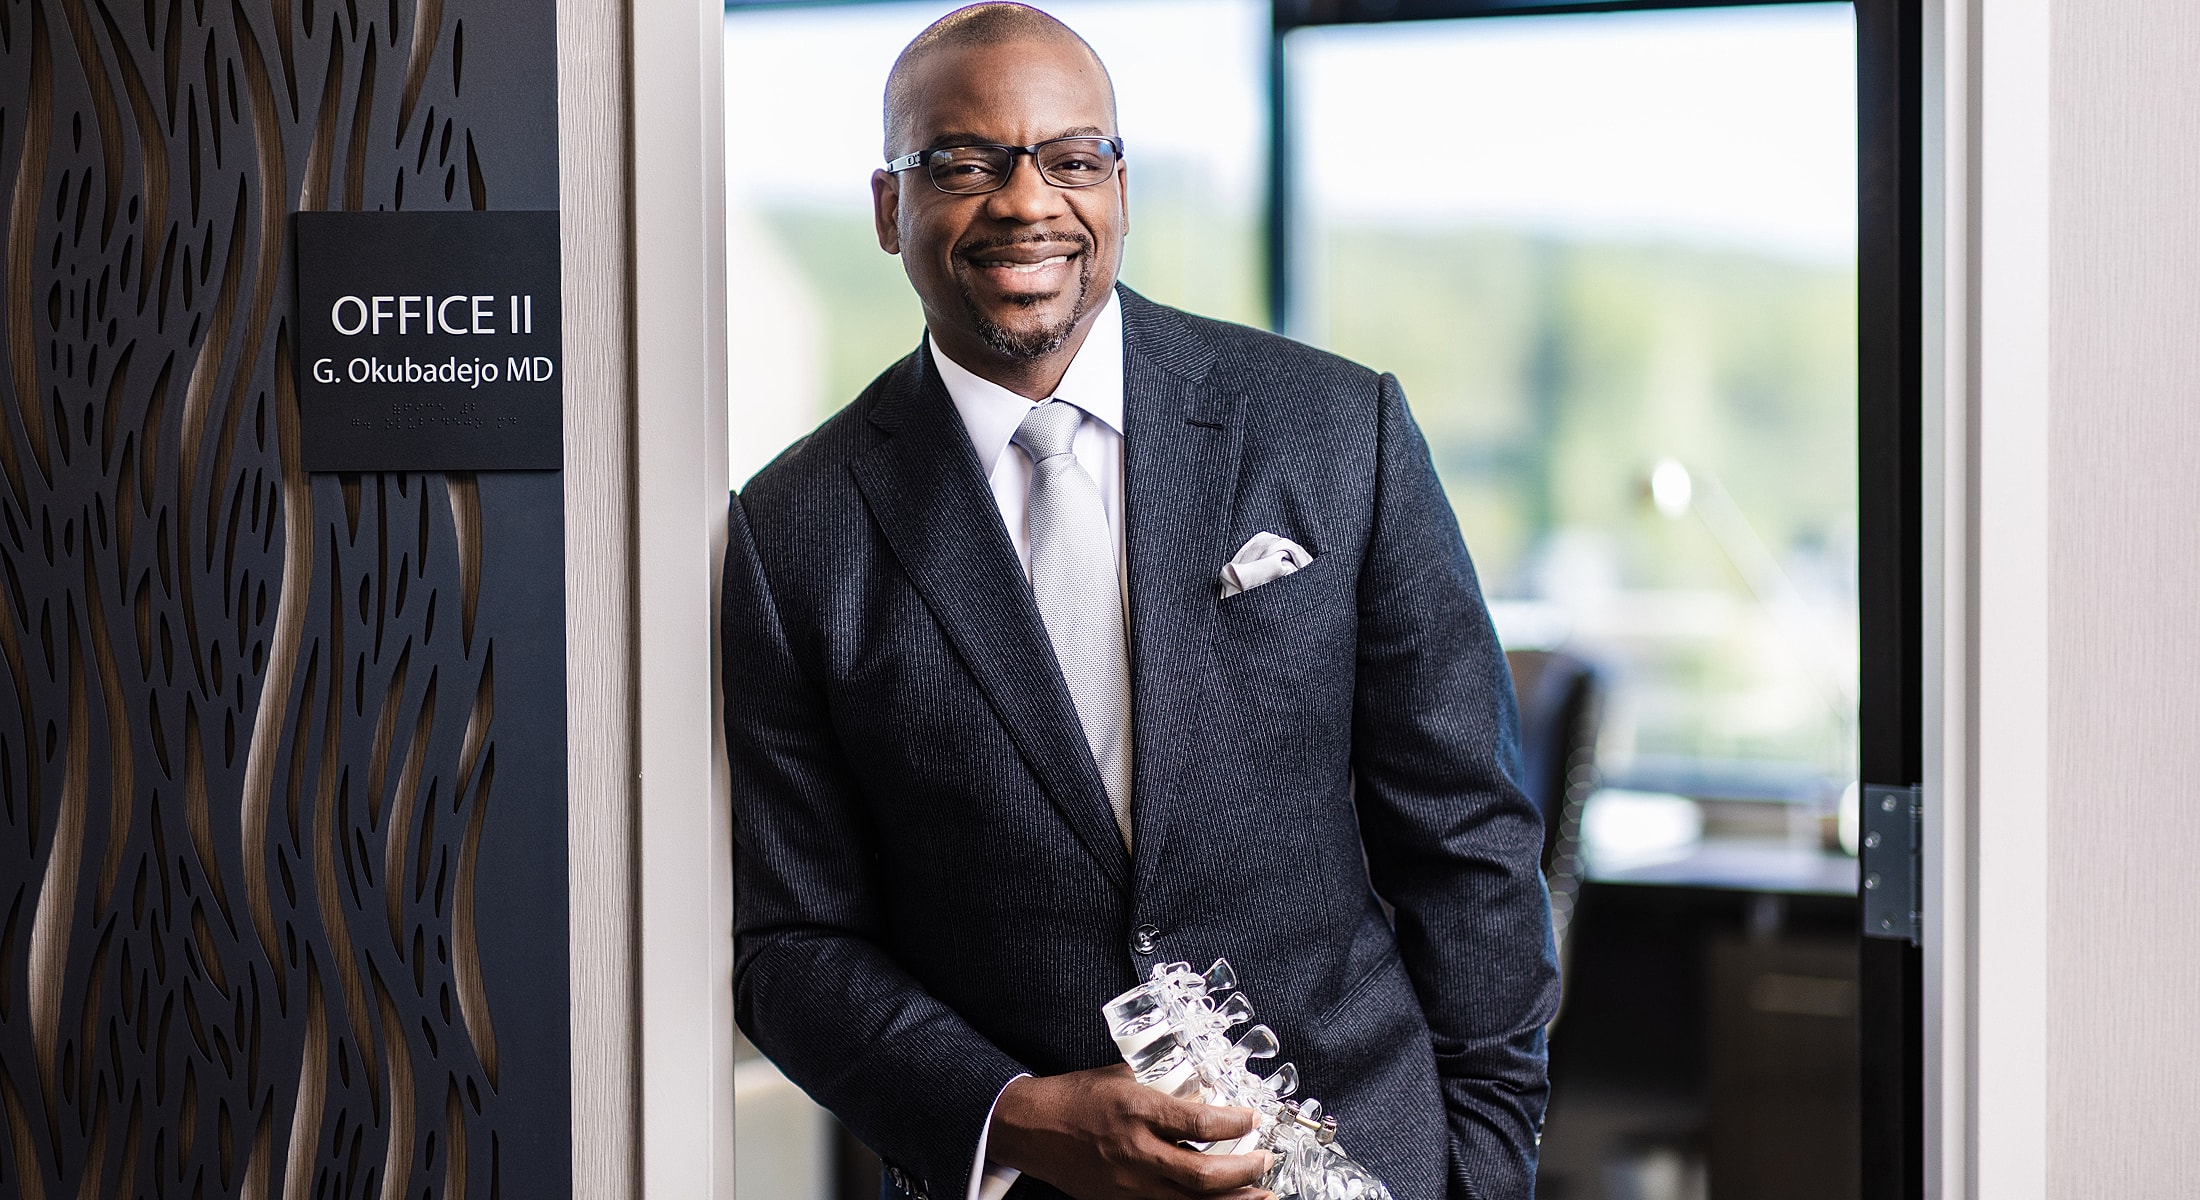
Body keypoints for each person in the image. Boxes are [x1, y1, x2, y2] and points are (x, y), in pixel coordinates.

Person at [721, 6, 1558, 1199]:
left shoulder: (1332, 430)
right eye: (963, 162)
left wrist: (1481, 1161)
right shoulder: (790, 532)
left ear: (1119, 188)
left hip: (1372, 1163)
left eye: (1071, 158)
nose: (1025, 201)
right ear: (885, 206)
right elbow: (793, 944)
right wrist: (1010, 1116)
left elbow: (1465, 832)